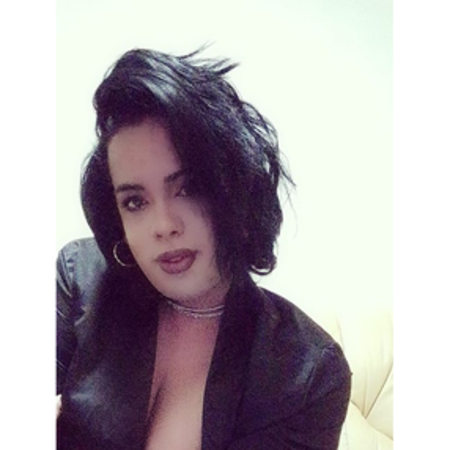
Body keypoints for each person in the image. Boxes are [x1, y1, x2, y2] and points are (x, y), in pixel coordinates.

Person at [56, 48, 351, 450]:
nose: (164, 225)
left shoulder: (307, 374)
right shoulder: (80, 278)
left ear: (235, 189)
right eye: (135, 202)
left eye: (188, 188)